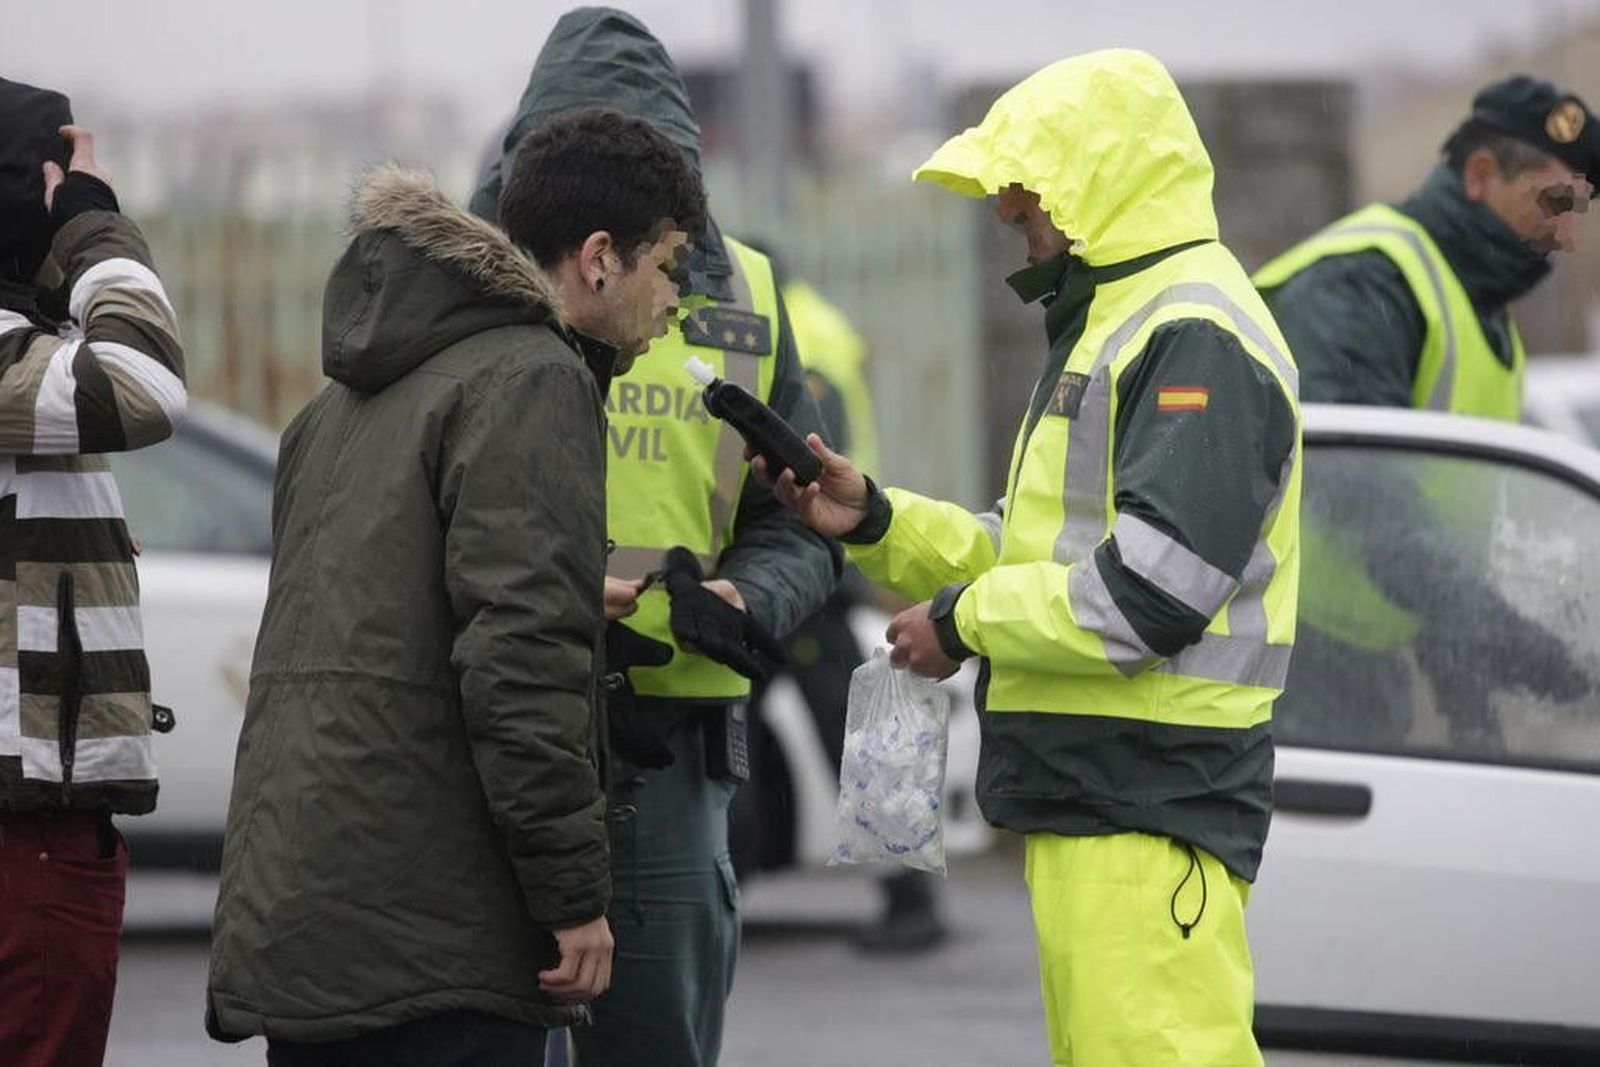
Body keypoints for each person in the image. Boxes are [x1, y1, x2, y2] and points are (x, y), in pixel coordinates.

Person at [763, 51, 1300, 1066]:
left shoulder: (1190, 332)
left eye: (1026, 197)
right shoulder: (1119, 319)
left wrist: (960, 622)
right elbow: (1029, 547)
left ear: (1096, 178)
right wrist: (874, 514)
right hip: (1102, 805)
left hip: (1148, 810)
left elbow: (1148, 590)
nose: (1012, 218)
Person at [205, 107, 707, 1067]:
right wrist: (572, 896)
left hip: (306, 910)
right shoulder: (531, 378)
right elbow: (516, 664)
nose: (677, 297)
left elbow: (377, 631)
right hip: (434, 931)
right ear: (601, 258)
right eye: (670, 264)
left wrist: (569, 598)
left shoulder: (339, 403)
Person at [471, 10, 840, 1066]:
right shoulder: (476, 282)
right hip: (497, 728)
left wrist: (747, 599)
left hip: (671, 757)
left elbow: (801, 519)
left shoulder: (747, 295)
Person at [1254, 75, 1595, 747]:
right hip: (1278, 658)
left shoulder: (1484, 315)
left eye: (1576, 211)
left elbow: (1448, 513)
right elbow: (1363, 495)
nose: (1564, 234)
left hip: (1356, 663)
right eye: (1553, 203)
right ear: (1479, 173)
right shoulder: (1364, 282)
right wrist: (1501, 637)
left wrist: (1461, 677)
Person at [0, 79, 187, 1067]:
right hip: (25, 827)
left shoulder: (23, 346)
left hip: (43, 817)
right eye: (55, 177)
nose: (70, 193)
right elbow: (148, 384)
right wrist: (96, 230)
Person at [743, 271, 946, 952]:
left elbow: (808, 452)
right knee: (752, 724)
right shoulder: (808, 319)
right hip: (795, 565)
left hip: (807, 571)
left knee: (851, 735)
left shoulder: (782, 328)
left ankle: (911, 896)